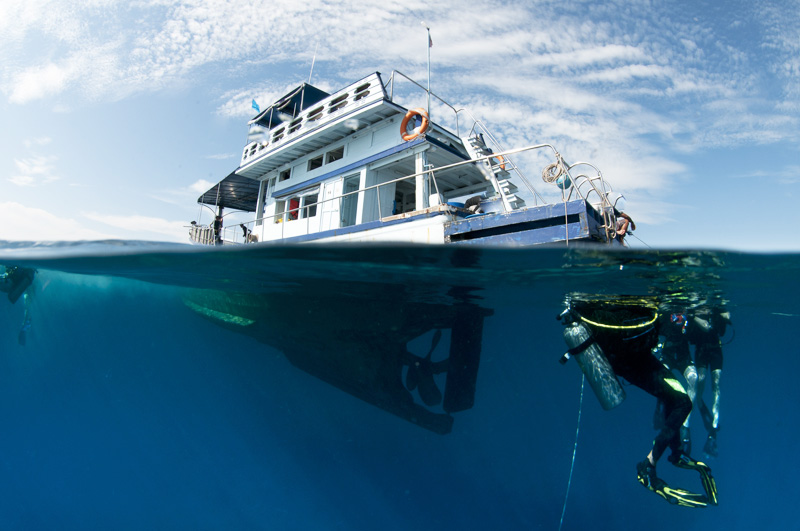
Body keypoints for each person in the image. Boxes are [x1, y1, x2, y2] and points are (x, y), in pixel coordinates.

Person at [561, 298, 717, 508]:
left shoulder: (647, 310)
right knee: (682, 403)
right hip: (632, 363)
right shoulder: (635, 310)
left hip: (639, 359)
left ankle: (676, 452)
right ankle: (648, 466)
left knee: (677, 399)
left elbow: (661, 328)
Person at [654, 310, 698, 455]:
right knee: (661, 378)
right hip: (668, 354)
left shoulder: (689, 317)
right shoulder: (664, 315)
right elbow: (656, 330)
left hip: (683, 355)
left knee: (693, 378)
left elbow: (695, 335)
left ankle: (685, 424)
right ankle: (660, 407)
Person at [689, 305, 730, 459]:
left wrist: (724, 316)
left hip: (715, 350)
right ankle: (706, 417)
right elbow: (691, 337)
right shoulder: (694, 313)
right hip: (701, 351)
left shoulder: (716, 310)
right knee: (700, 385)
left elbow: (722, 330)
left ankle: (714, 426)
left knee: (716, 386)